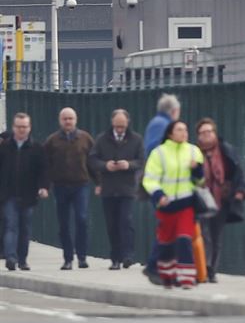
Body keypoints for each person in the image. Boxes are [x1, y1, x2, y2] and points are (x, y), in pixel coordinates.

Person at [142, 121, 204, 289]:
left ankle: (187, 279)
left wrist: (197, 169)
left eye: (185, 129)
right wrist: (158, 195)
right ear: (170, 133)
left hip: (186, 204)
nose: (184, 132)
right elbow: (150, 179)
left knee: (184, 239)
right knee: (166, 243)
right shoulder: (159, 153)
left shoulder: (193, 151)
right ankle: (167, 276)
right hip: (166, 205)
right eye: (179, 130)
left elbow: (201, 181)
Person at [89, 109, 144, 270]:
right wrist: (105, 166)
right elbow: (92, 159)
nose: (120, 130)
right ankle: (115, 258)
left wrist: (129, 165)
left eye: (122, 126)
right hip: (109, 187)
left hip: (127, 187)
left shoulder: (136, 139)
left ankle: (127, 255)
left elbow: (141, 160)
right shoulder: (102, 139)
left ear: (127, 124)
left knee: (125, 221)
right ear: (113, 124)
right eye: (117, 126)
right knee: (111, 224)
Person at [195, 118, 245, 283]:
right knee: (204, 236)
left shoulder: (226, 150)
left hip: (221, 199)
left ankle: (212, 270)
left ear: (215, 133)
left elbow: (238, 171)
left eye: (209, 132)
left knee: (216, 237)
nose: (207, 136)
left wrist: (240, 191)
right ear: (198, 136)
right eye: (203, 133)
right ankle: (203, 268)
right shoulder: (194, 153)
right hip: (200, 199)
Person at [44, 108, 96, 270]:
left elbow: (92, 162)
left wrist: (99, 182)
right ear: (60, 120)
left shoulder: (85, 138)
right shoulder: (52, 140)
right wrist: (45, 185)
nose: (68, 121)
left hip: (80, 185)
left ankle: (82, 257)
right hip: (60, 186)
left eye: (71, 118)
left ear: (76, 120)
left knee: (81, 219)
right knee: (64, 223)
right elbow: (46, 165)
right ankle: (68, 258)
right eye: (65, 119)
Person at [0, 113, 48, 270]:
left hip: (28, 194)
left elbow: (43, 170)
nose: (22, 130)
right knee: (11, 225)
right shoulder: (5, 147)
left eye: (25, 127)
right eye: (19, 127)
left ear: (29, 128)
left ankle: (22, 259)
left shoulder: (37, 148)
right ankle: (11, 257)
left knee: (25, 228)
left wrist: (43, 187)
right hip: (9, 194)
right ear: (14, 128)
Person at [142, 93, 181, 284]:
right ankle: (153, 265)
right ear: (174, 111)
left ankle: (162, 267)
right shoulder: (162, 125)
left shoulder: (157, 123)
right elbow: (155, 150)